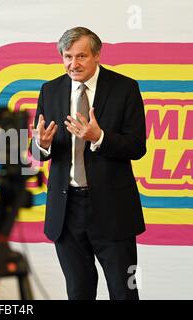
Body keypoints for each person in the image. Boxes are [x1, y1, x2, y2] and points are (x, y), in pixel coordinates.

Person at [31, 26, 146, 300]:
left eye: (81, 56)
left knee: (124, 292)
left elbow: (137, 146)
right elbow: (40, 149)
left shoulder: (125, 88)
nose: (73, 63)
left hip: (112, 211)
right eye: (67, 56)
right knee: (78, 293)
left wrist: (100, 137)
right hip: (66, 210)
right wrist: (41, 146)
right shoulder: (50, 90)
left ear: (97, 55)